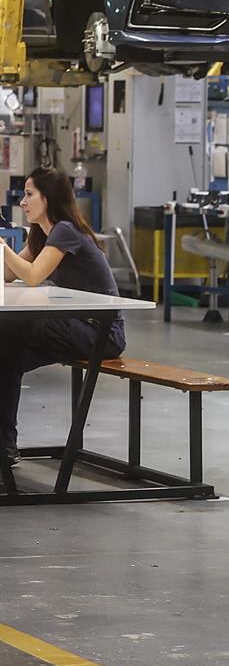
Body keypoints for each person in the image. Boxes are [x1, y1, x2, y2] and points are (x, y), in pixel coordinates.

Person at [0, 168, 120, 468]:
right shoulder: (42, 234)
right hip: (75, 325)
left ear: (48, 198)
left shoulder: (65, 230)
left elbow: (32, 277)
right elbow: (10, 274)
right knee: (6, 357)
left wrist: (2, 246)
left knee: (13, 330)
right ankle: (6, 448)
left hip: (101, 333)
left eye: (29, 195)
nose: (23, 202)